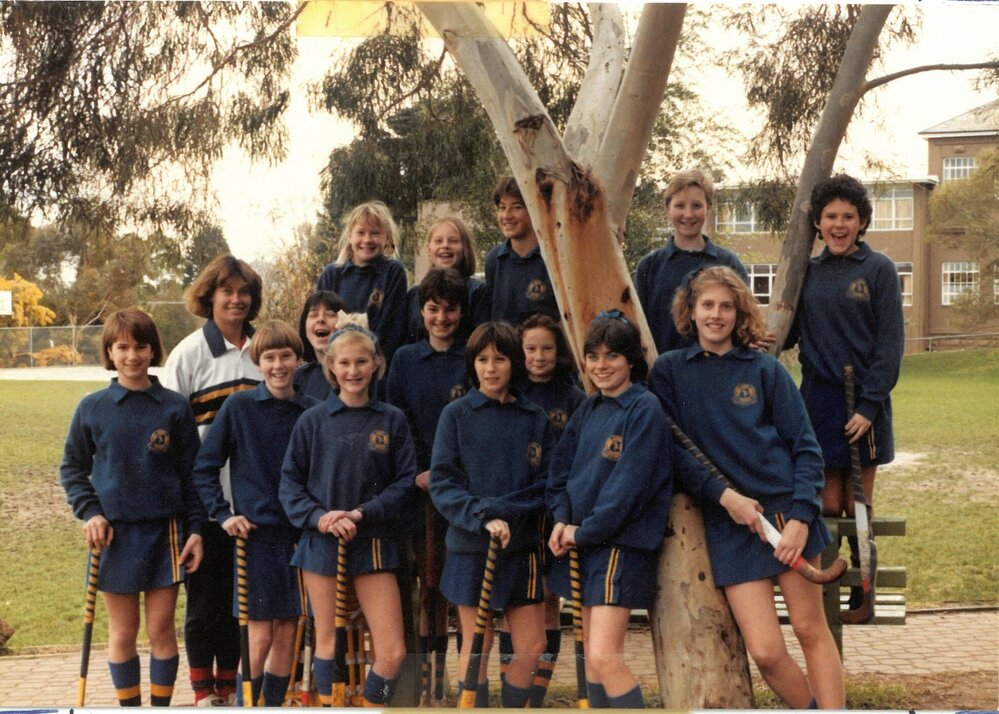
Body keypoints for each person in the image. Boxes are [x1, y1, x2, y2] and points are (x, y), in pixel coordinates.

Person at [649, 267, 844, 709]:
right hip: (730, 524)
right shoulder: (669, 371)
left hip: (785, 513)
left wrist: (800, 518)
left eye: (726, 306)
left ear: (739, 314)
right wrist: (725, 497)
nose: (716, 315)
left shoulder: (763, 369)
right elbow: (676, 454)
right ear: (691, 312)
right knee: (766, 652)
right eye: (707, 306)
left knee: (811, 629)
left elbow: (806, 448)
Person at [60, 308, 205, 706]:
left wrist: (195, 530)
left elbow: (193, 476)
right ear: (110, 351)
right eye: (122, 347)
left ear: (152, 349)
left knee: (161, 631)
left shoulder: (173, 407)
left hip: (165, 533)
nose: (132, 355)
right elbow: (72, 468)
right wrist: (91, 512)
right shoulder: (92, 407)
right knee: (123, 632)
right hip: (115, 536)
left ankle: (159, 708)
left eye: (141, 346)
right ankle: (130, 708)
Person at [280, 324, 416, 707]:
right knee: (328, 640)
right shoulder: (311, 421)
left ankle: (376, 704)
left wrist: (360, 513)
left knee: (393, 652)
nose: (353, 370)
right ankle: (332, 705)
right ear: (330, 367)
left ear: (375, 364)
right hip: (322, 543)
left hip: (373, 544)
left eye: (361, 361)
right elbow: (289, 485)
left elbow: (404, 483)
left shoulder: (392, 420)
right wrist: (320, 517)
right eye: (344, 363)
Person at [787, 173, 905, 609]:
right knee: (826, 500)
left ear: (861, 222)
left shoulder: (878, 270)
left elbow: (890, 345)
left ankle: (864, 588)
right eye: (831, 216)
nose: (839, 225)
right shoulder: (808, 271)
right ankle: (819, 588)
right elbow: (790, 332)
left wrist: (871, 405)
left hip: (863, 402)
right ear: (818, 222)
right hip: (817, 399)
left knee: (856, 501)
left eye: (848, 217)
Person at [547, 311, 671, 709]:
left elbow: (628, 489)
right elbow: (560, 472)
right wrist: (562, 520)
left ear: (631, 360)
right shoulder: (588, 408)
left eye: (612, 356)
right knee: (592, 664)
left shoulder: (644, 409)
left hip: (619, 544)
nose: (601, 366)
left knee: (603, 656)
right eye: (593, 356)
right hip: (582, 541)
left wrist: (583, 532)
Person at [192, 321, 320, 706]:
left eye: (286, 356)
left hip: (300, 537)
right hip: (256, 539)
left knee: (287, 633)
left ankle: (274, 703)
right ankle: (246, 703)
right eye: (269, 357)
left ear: (299, 360)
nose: (278, 365)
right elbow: (205, 466)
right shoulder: (240, 406)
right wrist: (223, 513)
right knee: (260, 635)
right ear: (257, 361)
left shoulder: (312, 412)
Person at [430, 321, 553, 708]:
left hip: (522, 546)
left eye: (500, 358)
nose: (491, 368)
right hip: (471, 544)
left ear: (514, 363)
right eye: (482, 359)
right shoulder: (456, 414)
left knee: (533, 646)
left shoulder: (535, 417)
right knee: (477, 643)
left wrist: (505, 512)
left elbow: (545, 485)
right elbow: (443, 482)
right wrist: (481, 515)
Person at [161, 254, 263, 705]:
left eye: (244, 292)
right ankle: (205, 695)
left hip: (256, 504)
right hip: (205, 505)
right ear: (210, 297)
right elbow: (174, 436)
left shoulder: (266, 350)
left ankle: (231, 689)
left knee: (243, 605)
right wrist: (192, 510)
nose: (237, 299)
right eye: (227, 292)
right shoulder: (189, 353)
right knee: (205, 603)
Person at [386, 267, 470, 702]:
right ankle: (421, 687)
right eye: (433, 309)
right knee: (424, 587)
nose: (442, 318)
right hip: (418, 488)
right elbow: (397, 420)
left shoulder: (472, 357)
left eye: (450, 309)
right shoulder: (403, 358)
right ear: (422, 312)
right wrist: (421, 469)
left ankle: (448, 684)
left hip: (458, 489)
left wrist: (451, 473)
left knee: (451, 591)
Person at [513, 312, 585, 705]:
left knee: (548, 600)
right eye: (530, 349)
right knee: (519, 601)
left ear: (559, 353)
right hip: (520, 509)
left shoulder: (572, 398)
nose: (538, 357)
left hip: (557, 511)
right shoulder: (512, 392)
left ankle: (538, 690)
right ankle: (516, 685)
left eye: (547, 349)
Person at [634, 169, 749, 355]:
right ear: (668, 209)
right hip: (664, 374)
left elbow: (745, 320)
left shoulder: (728, 263)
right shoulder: (650, 266)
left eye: (696, 205)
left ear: (708, 208)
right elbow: (639, 326)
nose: (688, 214)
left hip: (719, 371)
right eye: (680, 206)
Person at [315, 201, 408, 367]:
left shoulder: (393, 273)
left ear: (386, 237)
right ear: (350, 236)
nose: (367, 239)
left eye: (375, 233)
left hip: (377, 365)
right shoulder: (331, 275)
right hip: (337, 365)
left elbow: (392, 328)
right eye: (360, 233)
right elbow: (321, 325)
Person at [483, 176, 559, 324]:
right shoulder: (493, 261)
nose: (506, 216)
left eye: (517, 207)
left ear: (534, 210)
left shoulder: (553, 258)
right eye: (502, 207)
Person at [404, 217, 489, 344]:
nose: (445, 246)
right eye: (438, 241)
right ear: (428, 249)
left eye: (453, 241)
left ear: (465, 248)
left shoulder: (479, 292)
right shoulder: (414, 294)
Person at [294, 290, 346, 401]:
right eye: (313, 314)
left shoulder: (357, 374)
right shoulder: (297, 378)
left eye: (330, 314)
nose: (321, 319)